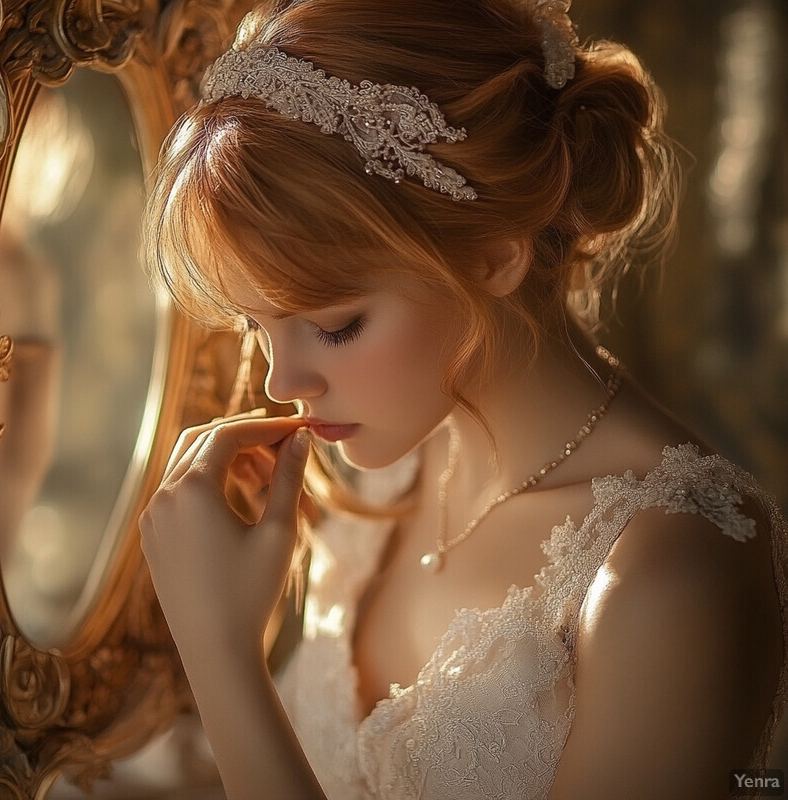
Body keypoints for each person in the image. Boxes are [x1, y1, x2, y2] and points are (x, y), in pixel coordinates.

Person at [138, 0, 788, 797]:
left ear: (493, 258)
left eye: (334, 325)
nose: (282, 384)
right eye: (257, 323)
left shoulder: (674, 572)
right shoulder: (386, 472)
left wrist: (221, 656)